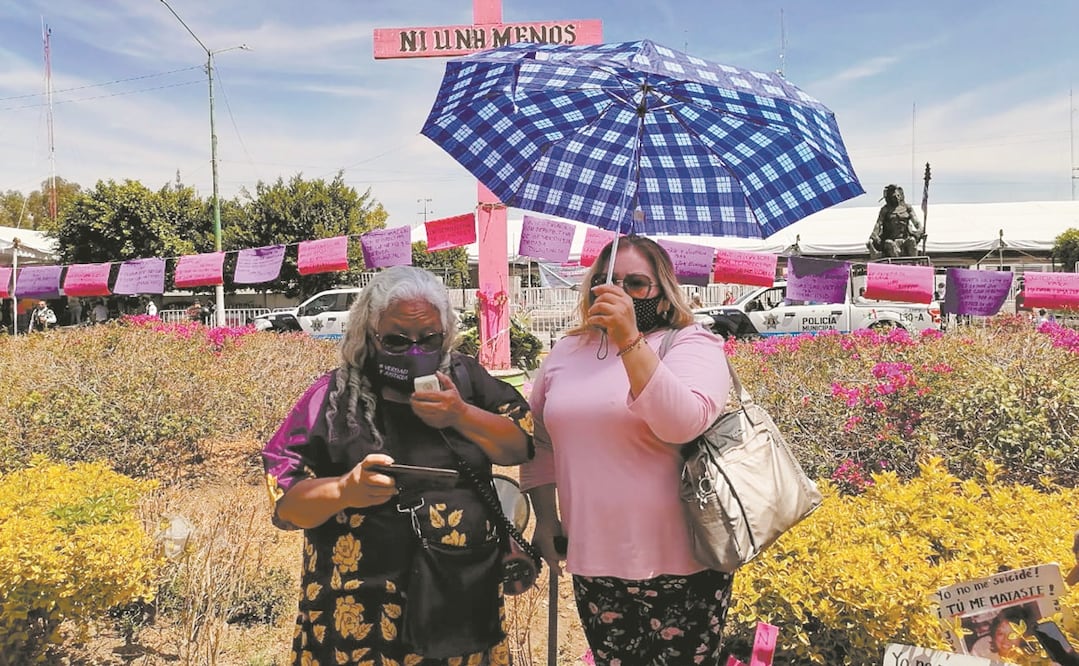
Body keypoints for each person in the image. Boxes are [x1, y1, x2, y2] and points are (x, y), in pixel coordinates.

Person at [261, 266, 533, 665]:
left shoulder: (467, 380)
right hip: (360, 610)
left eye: (429, 338)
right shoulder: (335, 398)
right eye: (396, 340)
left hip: (459, 595)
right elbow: (286, 504)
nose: (415, 351)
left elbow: (521, 446)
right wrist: (343, 490)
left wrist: (461, 415)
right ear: (369, 334)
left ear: (446, 331)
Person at [520, 235, 734, 665]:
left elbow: (681, 422)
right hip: (593, 559)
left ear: (663, 290)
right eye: (606, 280)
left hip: (682, 562)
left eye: (635, 283)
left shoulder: (691, 343)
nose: (618, 291)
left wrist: (629, 340)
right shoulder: (567, 351)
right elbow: (540, 441)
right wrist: (546, 518)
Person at [867, 184, 925, 258]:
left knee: (912, 241)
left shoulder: (907, 208)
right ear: (889, 198)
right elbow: (878, 224)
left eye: (898, 195)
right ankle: (896, 267)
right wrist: (873, 237)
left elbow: (916, 222)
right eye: (894, 197)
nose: (897, 198)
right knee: (889, 244)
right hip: (891, 239)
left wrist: (921, 230)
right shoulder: (885, 210)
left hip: (905, 239)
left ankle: (914, 264)